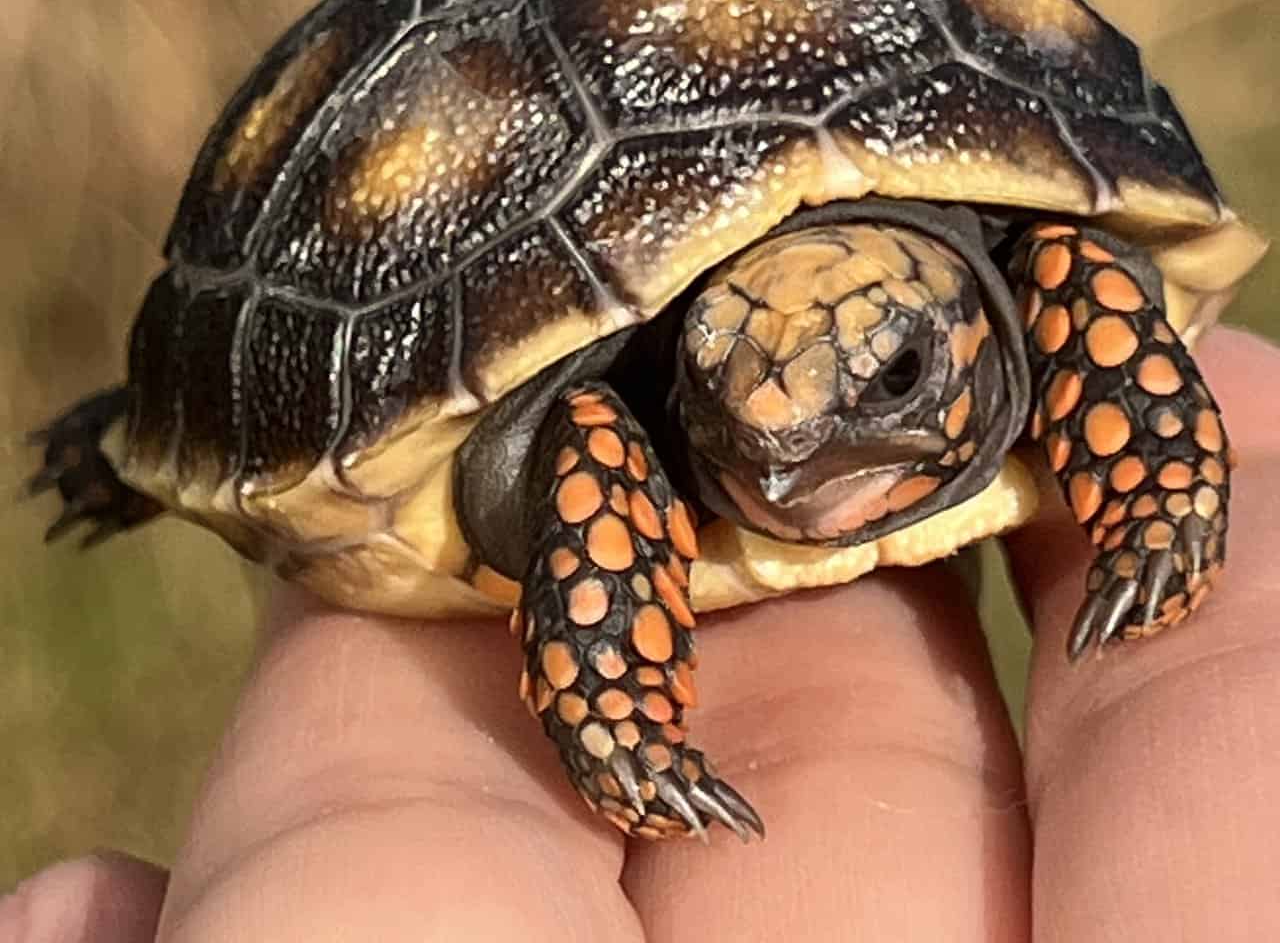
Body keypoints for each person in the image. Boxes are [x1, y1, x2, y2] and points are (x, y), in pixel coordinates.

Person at [4, 328, 1279, 942]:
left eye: (890, 380)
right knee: (594, 429)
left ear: (971, 326)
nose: (785, 434)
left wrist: (1165, 489)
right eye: (728, 392)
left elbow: (1081, 284)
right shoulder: (631, 416)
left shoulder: (1030, 288)